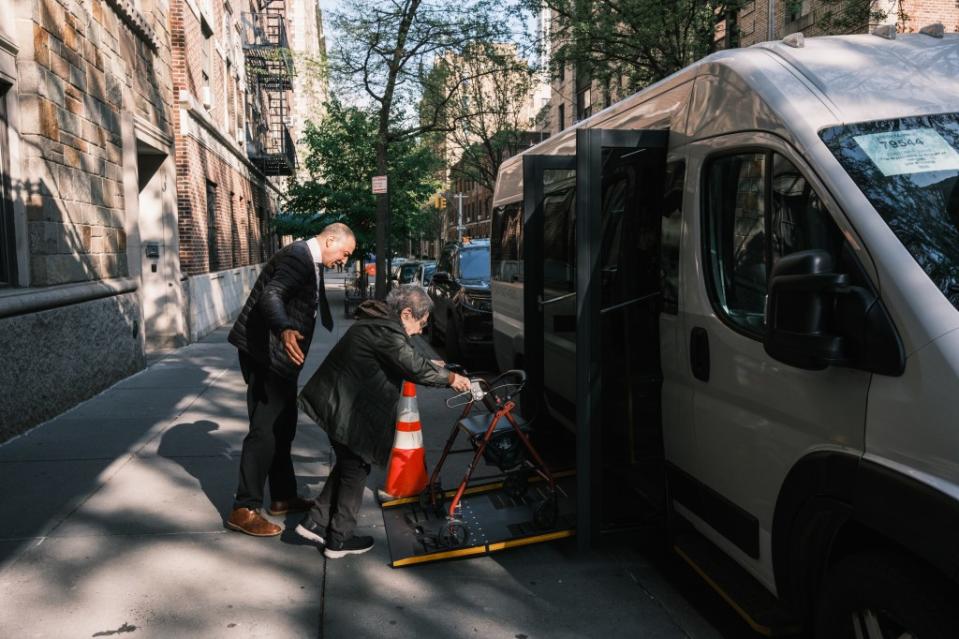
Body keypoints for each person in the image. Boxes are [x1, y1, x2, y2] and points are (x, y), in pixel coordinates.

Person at [294, 285, 471, 558]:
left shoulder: (381, 325)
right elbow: (410, 365)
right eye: (422, 324)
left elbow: (403, 355)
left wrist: (431, 364)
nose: (422, 331)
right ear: (407, 313)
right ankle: (338, 540)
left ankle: (315, 521)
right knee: (356, 467)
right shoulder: (386, 331)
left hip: (335, 401)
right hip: (343, 407)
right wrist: (451, 379)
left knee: (349, 462)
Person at [225, 222, 356, 537]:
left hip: (281, 360)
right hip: (266, 355)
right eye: (345, 253)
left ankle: (283, 497)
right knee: (264, 431)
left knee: (284, 427)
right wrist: (283, 328)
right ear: (330, 239)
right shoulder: (298, 257)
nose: (344, 261)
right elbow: (272, 295)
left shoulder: (308, 260)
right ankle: (244, 508)